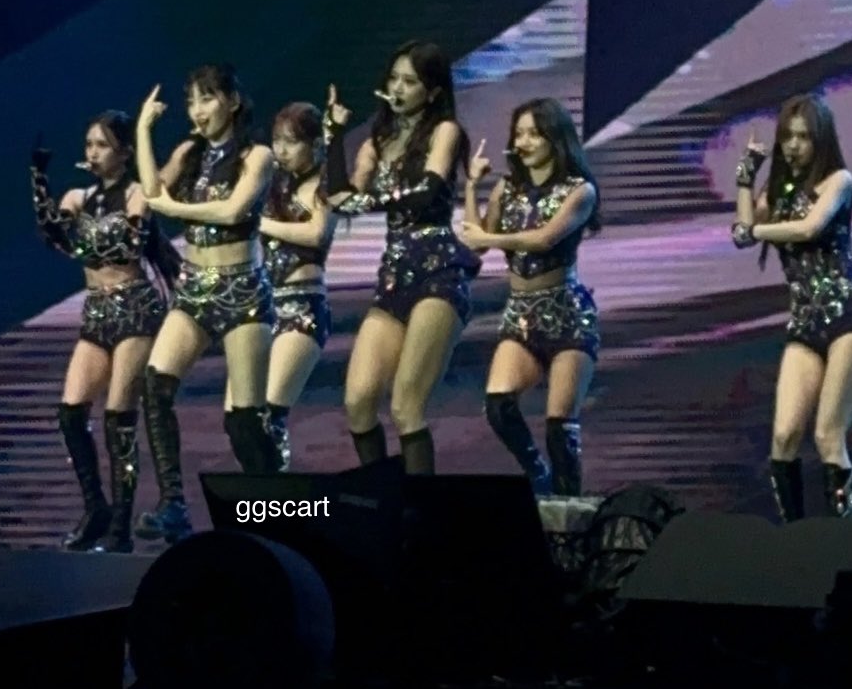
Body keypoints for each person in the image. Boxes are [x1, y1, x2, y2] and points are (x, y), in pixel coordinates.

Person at [132, 63, 279, 544]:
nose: (197, 110)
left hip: (242, 291)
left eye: (207, 98)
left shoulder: (258, 155)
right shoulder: (189, 152)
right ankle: (173, 504)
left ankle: (277, 514)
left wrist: (176, 209)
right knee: (155, 386)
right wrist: (143, 130)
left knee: (244, 421)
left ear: (232, 102)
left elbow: (234, 210)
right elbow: (151, 194)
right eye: (191, 100)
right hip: (196, 288)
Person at [323, 40, 480, 475]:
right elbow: (338, 198)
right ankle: (382, 499)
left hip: (438, 274)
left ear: (432, 91)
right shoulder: (377, 141)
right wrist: (333, 135)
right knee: (358, 402)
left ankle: (419, 509)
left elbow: (429, 189)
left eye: (409, 82)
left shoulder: (445, 131)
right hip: (394, 278)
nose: (397, 88)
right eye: (393, 79)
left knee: (406, 406)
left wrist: (371, 201)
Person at [30, 110, 179, 552]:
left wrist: (83, 237)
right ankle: (96, 508)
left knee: (118, 418)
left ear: (124, 153)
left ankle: (121, 525)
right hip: (96, 312)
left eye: (102, 145)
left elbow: (129, 244)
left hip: (136, 309)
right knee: (71, 412)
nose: (92, 153)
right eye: (89, 145)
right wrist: (38, 181)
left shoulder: (138, 193)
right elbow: (55, 237)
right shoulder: (77, 195)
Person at [731, 92, 852, 519]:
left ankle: (841, 541)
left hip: (850, 314)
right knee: (783, 437)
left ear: (821, 140)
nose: (794, 146)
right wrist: (746, 178)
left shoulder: (838, 181)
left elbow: (809, 227)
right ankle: (793, 539)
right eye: (788, 137)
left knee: (828, 434)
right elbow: (743, 230)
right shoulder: (777, 193)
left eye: (804, 137)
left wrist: (754, 231)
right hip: (805, 321)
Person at [461, 98, 601, 496]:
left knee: (560, 427)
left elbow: (544, 239)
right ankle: (537, 476)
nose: (522, 142)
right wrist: (471, 186)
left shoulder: (580, 191)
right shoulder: (506, 189)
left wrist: (490, 237)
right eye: (518, 134)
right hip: (521, 316)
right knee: (498, 406)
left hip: (568, 317)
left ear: (555, 139)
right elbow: (476, 243)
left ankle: (569, 509)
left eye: (533, 134)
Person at [255, 102, 336, 470]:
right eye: (277, 141)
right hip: (265, 306)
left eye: (291, 142)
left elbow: (317, 233)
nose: (282, 150)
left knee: (270, 413)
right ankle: (266, 492)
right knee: (248, 420)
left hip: (302, 307)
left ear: (315, 144)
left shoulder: (327, 183)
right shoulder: (273, 184)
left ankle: (279, 497)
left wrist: (261, 223)